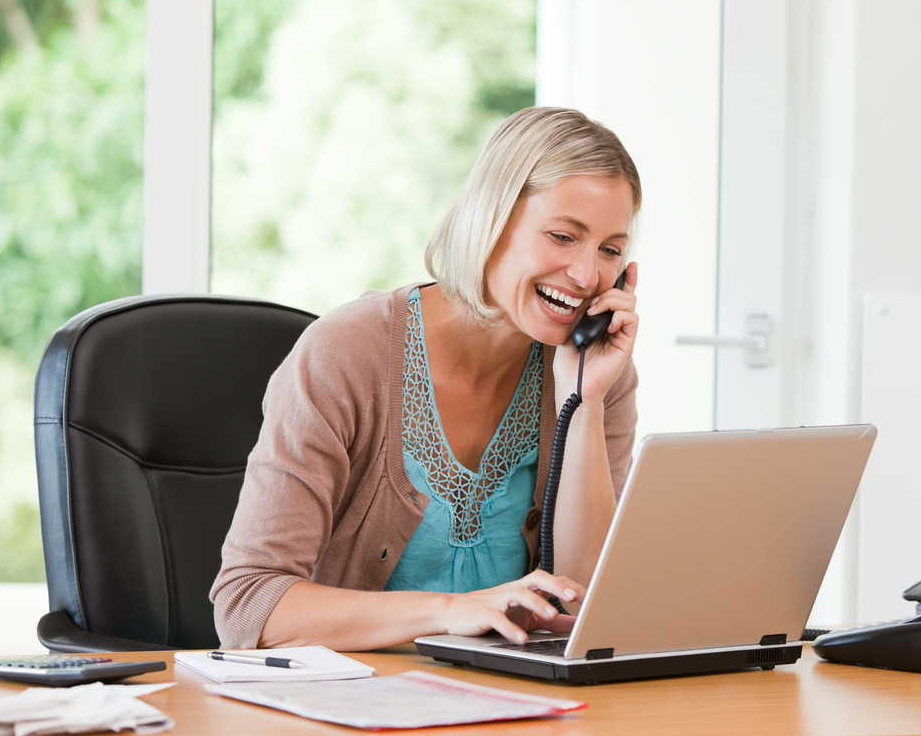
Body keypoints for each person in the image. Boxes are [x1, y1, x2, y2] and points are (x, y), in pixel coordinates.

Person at [210, 106, 641, 651]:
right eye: (562, 236)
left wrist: (583, 405)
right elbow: (249, 605)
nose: (585, 276)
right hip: (348, 713)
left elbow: (586, 608)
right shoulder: (347, 352)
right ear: (491, 218)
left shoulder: (596, 374)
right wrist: (449, 612)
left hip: (512, 715)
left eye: (610, 251)